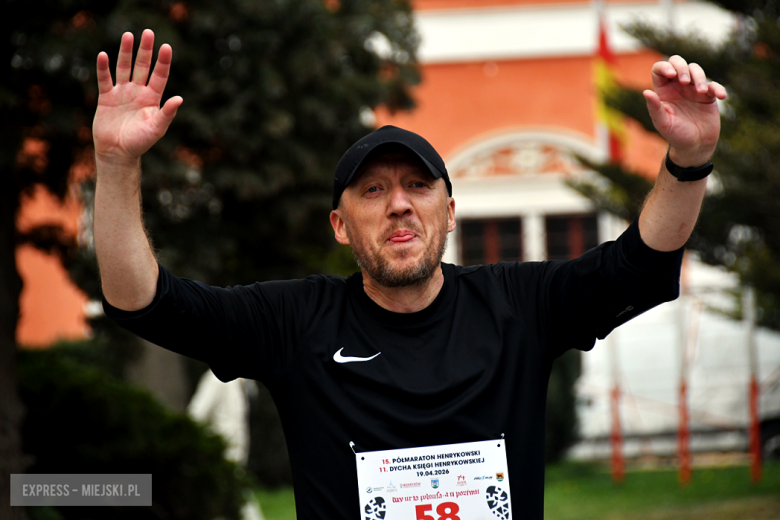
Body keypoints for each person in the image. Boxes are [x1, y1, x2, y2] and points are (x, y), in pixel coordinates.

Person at [93, 29, 726, 520]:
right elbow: (142, 301)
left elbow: (638, 267)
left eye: (418, 186)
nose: (399, 203)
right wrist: (116, 164)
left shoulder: (518, 306)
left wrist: (690, 159)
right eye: (372, 190)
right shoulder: (293, 324)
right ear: (340, 226)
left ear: (449, 213)